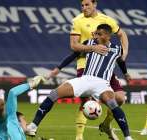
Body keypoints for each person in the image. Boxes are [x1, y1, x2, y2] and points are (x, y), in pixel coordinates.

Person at [27, 0, 129, 139]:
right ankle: (34, 126)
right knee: (54, 94)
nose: (95, 35)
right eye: (82, 5)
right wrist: (58, 68)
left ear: (106, 35)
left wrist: (126, 72)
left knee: (117, 101)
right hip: (85, 77)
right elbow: (74, 51)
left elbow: (121, 58)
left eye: (98, 34)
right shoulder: (88, 39)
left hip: (102, 83)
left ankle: (124, 135)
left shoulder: (116, 48)